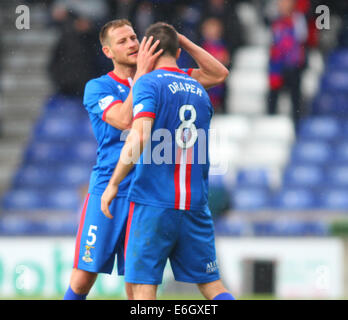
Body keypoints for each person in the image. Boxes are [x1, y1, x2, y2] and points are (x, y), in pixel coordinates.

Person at [64, 19, 229, 300]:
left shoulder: (158, 79)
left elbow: (217, 74)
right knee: (82, 279)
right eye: (122, 41)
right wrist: (140, 74)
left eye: (133, 38)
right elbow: (124, 119)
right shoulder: (98, 87)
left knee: (137, 282)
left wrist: (180, 41)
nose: (131, 44)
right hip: (110, 187)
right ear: (107, 52)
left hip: (147, 191)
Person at [267, 0, 308, 130]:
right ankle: (270, 125)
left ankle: (297, 126)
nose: (282, 5)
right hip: (277, 65)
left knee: (295, 98)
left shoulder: (298, 19)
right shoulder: (274, 19)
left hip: (293, 64)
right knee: (273, 96)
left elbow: (302, 40)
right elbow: (273, 40)